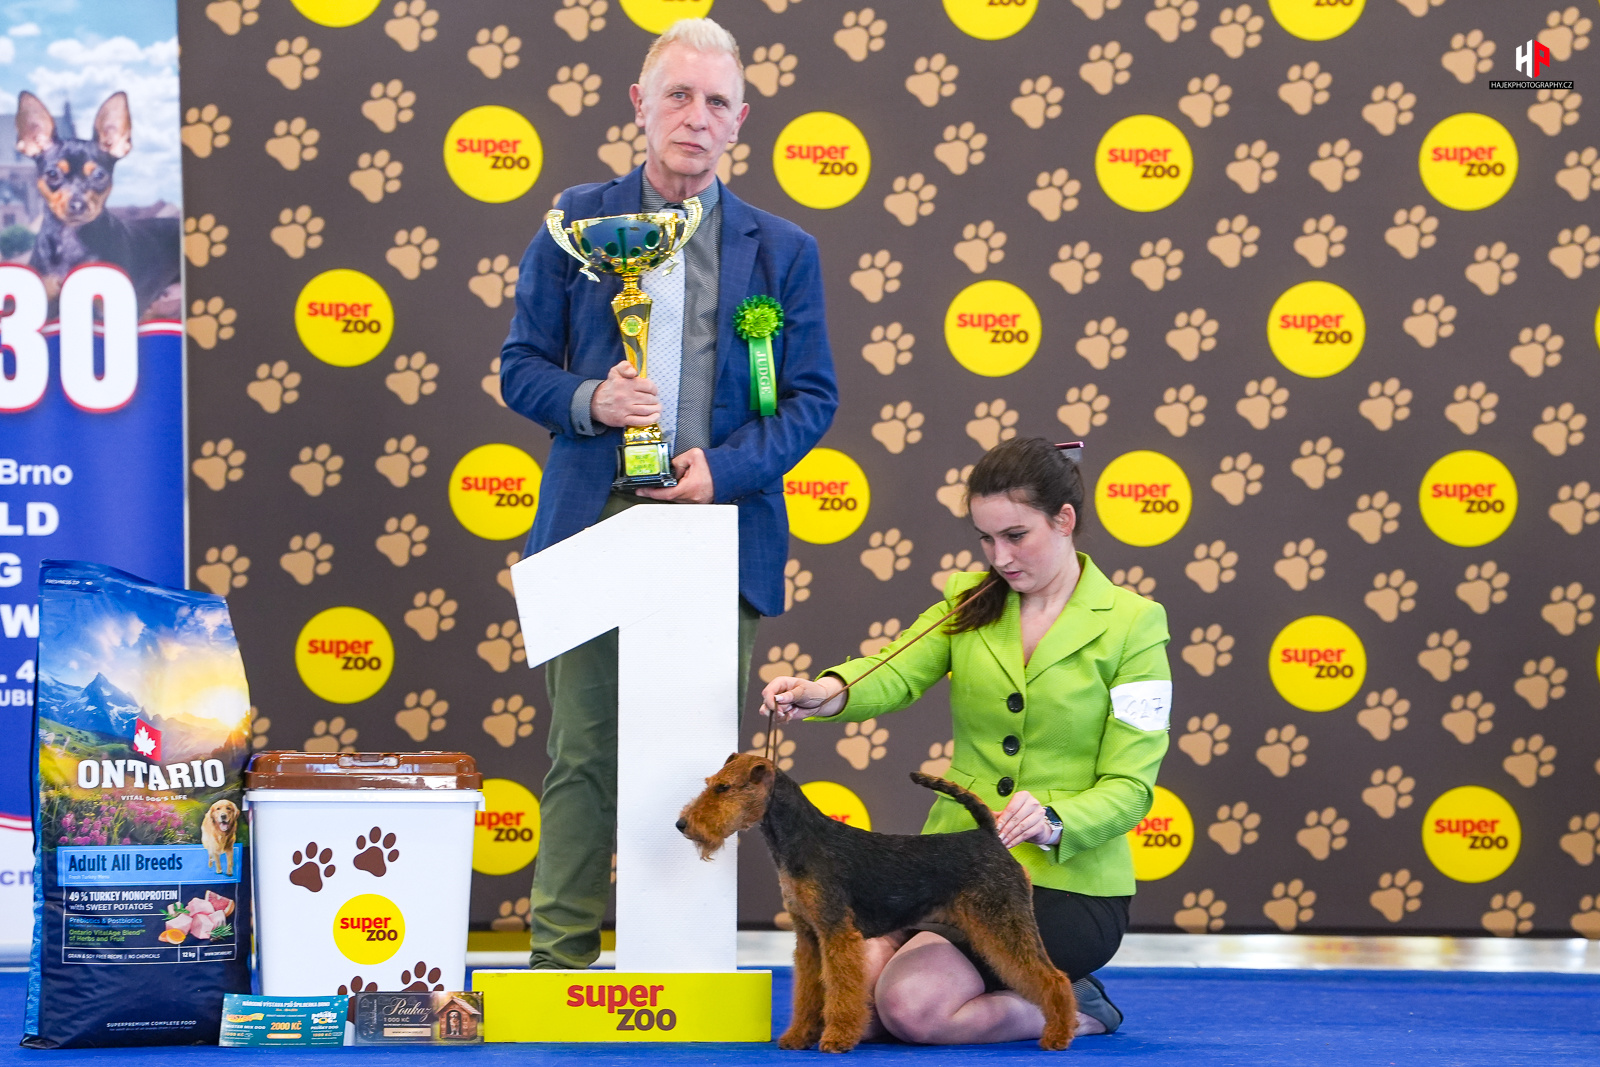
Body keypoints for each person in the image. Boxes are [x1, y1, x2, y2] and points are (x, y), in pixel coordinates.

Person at [499, 17, 838, 970]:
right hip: (593, 518)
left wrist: (723, 470)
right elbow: (520, 366)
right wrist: (589, 399)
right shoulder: (573, 223)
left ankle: (684, 968)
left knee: (703, 762)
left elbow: (813, 399)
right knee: (582, 751)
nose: (696, 116)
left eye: (717, 101)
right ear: (639, 105)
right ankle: (559, 963)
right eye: (678, 95)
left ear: (740, 123)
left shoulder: (785, 250)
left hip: (717, 528)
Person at [761, 437, 1171, 1042]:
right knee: (845, 1010)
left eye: (1016, 535)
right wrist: (826, 691)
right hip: (949, 867)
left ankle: (1075, 1005)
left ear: (1064, 520)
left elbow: (1132, 788)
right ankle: (1001, 982)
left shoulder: (1134, 624)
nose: (1000, 557)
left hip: (1066, 881)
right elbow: (895, 670)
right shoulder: (970, 599)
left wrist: (1055, 818)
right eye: (986, 539)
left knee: (912, 1010)